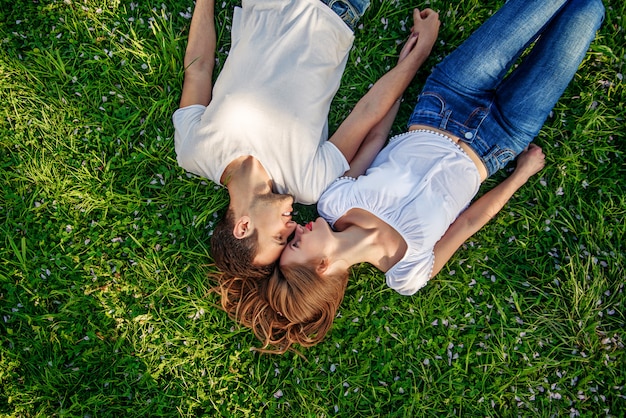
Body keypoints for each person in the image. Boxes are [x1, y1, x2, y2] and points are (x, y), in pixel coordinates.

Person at [242, 0, 605, 353]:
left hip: (448, 98)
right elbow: (467, 224)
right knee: (588, 10)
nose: (298, 230)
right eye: (296, 245)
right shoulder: (407, 274)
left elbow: (375, 136)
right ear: (323, 266)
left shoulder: (334, 202)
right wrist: (520, 175)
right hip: (502, 138)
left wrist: (407, 66)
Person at [173, 0, 434, 279]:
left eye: (278, 238)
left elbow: (197, 69)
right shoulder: (308, 184)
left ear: (243, 227)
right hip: (336, 9)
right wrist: (418, 55)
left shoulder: (193, 152)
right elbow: (366, 114)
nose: (292, 228)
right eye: (290, 240)